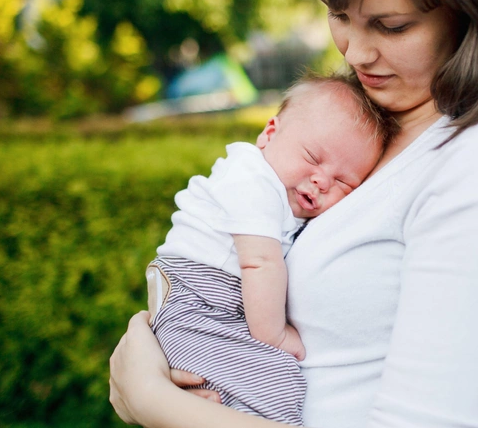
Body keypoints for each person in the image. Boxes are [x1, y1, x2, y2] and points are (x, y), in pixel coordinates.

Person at [109, 0, 478, 427]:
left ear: (472, 12)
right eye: (338, 13)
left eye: (392, 25)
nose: (356, 52)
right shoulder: (356, 133)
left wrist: (152, 400)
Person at [145, 74, 395, 426]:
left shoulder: (285, 200)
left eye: (343, 182)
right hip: (197, 298)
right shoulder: (253, 177)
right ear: (269, 133)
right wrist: (276, 336)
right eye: (312, 156)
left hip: (210, 304)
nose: (322, 180)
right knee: (252, 390)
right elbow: (260, 264)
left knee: (272, 386)